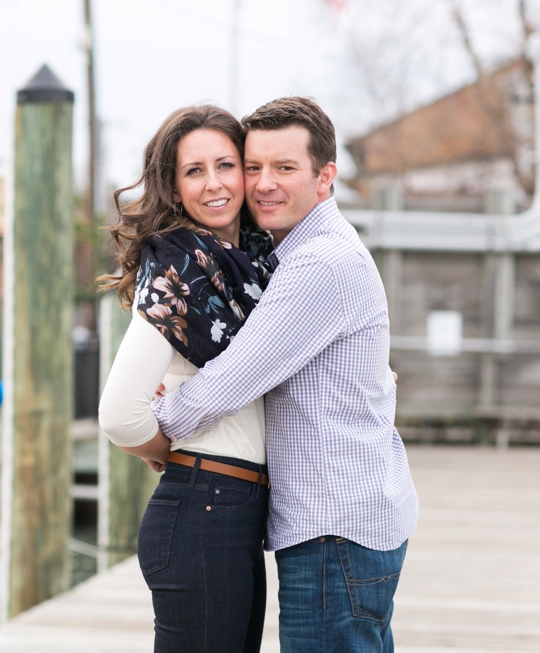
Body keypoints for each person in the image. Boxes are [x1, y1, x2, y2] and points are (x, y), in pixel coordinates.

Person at [150, 97, 419, 653]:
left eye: (285, 168)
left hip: (333, 529)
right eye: (253, 167)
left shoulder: (319, 263)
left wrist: (160, 425)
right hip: (347, 521)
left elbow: (232, 380)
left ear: (325, 177)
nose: (263, 184)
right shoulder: (294, 255)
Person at [98, 105, 275, 653]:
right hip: (204, 510)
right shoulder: (179, 271)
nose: (216, 183)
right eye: (194, 171)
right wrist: (163, 447)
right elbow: (118, 415)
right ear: (173, 187)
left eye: (227, 164)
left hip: (234, 511)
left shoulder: (259, 263)